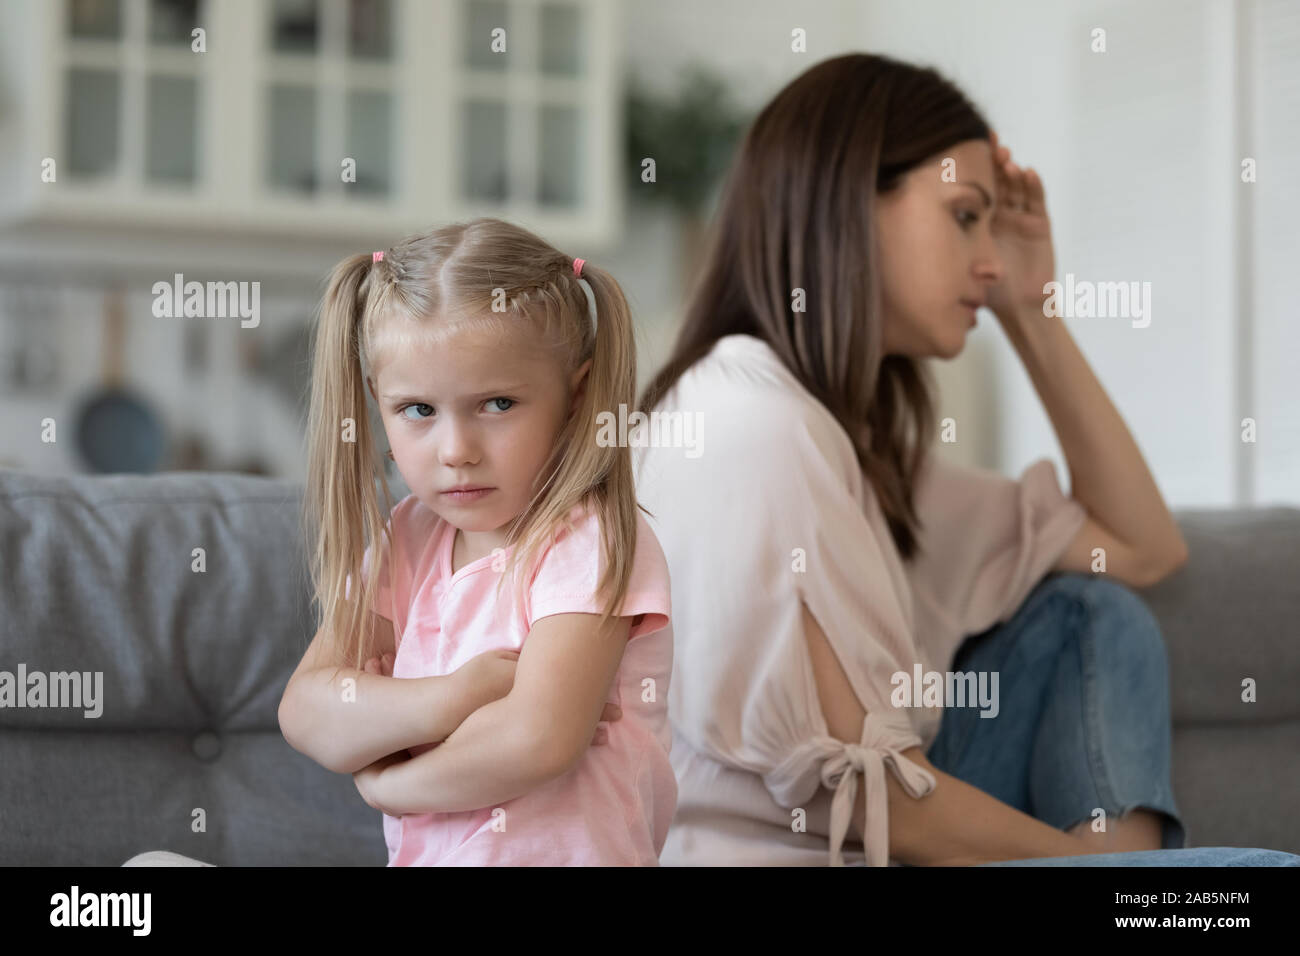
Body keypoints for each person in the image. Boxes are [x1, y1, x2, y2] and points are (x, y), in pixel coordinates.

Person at [632, 53, 1299, 867]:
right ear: (850, 200)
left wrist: (1032, 310)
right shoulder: (746, 422)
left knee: (1092, 615)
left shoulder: (852, 453)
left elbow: (1140, 548)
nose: (989, 258)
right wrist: (1125, 882)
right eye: (964, 216)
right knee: (1245, 888)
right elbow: (874, 799)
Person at [131, 218, 676, 867]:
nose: (456, 452)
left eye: (498, 404)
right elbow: (309, 709)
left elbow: (538, 739)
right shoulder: (412, 536)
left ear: (577, 396)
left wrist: (395, 786)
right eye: (418, 410)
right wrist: (455, 696)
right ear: (377, 404)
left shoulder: (589, 537)